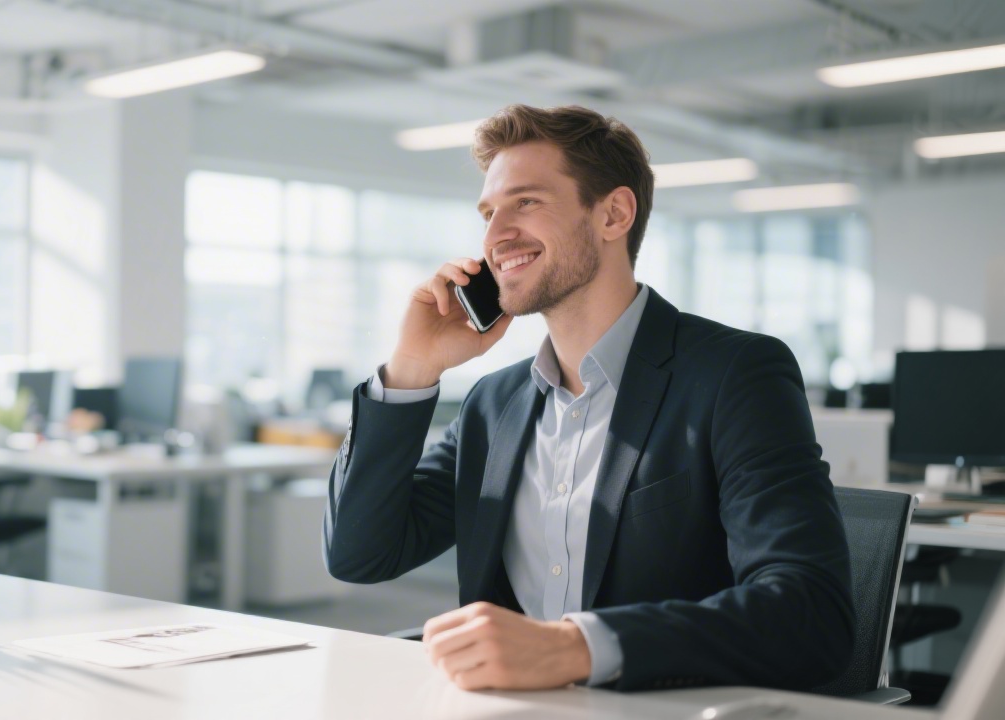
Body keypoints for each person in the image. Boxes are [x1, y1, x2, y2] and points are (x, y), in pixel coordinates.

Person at [322, 104, 854, 692]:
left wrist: (577, 647)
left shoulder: (733, 374)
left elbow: (810, 615)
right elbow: (360, 554)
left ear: (613, 214)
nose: (496, 236)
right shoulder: (493, 406)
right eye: (489, 212)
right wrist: (410, 369)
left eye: (526, 202)